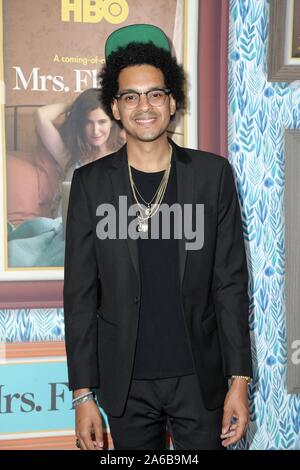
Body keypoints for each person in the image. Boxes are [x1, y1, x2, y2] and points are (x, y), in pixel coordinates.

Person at [63, 24, 253, 451]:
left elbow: (230, 285)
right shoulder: (90, 184)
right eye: (130, 96)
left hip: (199, 380)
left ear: (171, 102)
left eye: (154, 94)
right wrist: (82, 395)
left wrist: (238, 380)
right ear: (115, 106)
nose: (143, 106)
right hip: (125, 383)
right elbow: (78, 297)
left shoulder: (211, 175)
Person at [35, 88, 125, 215]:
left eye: (102, 122)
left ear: (112, 122)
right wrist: (75, 107)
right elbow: (41, 115)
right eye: (88, 122)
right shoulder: (70, 157)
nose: (95, 131)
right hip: (67, 228)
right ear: (80, 124)